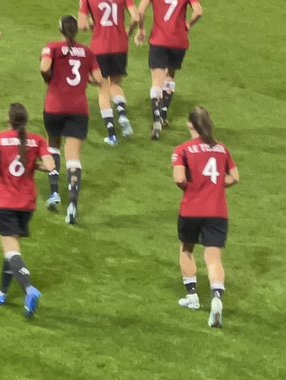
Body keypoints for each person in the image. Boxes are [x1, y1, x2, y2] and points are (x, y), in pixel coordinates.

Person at [0, 103, 55, 317]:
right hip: (27, 204)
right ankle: (2, 292)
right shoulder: (37, 140)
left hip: (5, 202)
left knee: (11, 250)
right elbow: (51, 166)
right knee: (11, 249)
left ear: (9, 119)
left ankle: (28, 289)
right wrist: (34, 165)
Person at [171, 107, 239, 328]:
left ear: (190, 125)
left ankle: (192, 297)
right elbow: (235, 177)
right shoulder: (222, 149)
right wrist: (216, 186)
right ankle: (217, 298)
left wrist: (194, 188)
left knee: (186, 249)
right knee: (213, 258)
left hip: (192, 209)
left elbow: (179, 178)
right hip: (218, 211)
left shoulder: (183, 150)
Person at [40, 16, 103, 225]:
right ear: (76, 31)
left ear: (60, 29)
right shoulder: (87, 52)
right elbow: (99, 79)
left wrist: (50, 79)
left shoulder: (53, 48)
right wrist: (84, 78)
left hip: (55, 106)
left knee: (53, 147)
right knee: (74, 157)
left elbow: (44, 67)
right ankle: (73, 204)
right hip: (78, 109)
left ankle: (55, 193)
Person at [135, 0, 203, 140]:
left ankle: (156, 122)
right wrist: (188, 25)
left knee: (156, 82)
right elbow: (198, 11)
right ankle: (164, 115)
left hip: (159, 41)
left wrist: (141, 29)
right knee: (170, 76)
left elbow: (140, 11)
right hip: (179, 41)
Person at [79, 0, 140, 146]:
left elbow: (82, 26)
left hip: (100, 47)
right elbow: (136, 18)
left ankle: (112, 135)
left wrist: (93, 24)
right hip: (120, 45)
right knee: (116, 84)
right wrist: (129, 32)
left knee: (103, 88)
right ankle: (123, 115)